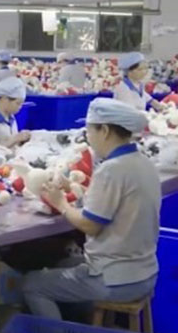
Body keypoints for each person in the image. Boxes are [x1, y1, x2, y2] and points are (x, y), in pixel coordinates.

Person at [25, 98, 160, 320]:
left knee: (32, 284)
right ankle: (83, 324)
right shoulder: (143, 163)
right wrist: (73, 188)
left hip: (115, 279)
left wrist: (61, 203)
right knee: (62, 262)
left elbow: (90, 225)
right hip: (145, 271)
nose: (87, 136)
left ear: (104, 130)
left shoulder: (111, 170)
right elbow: (111, 206)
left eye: (89, 130)